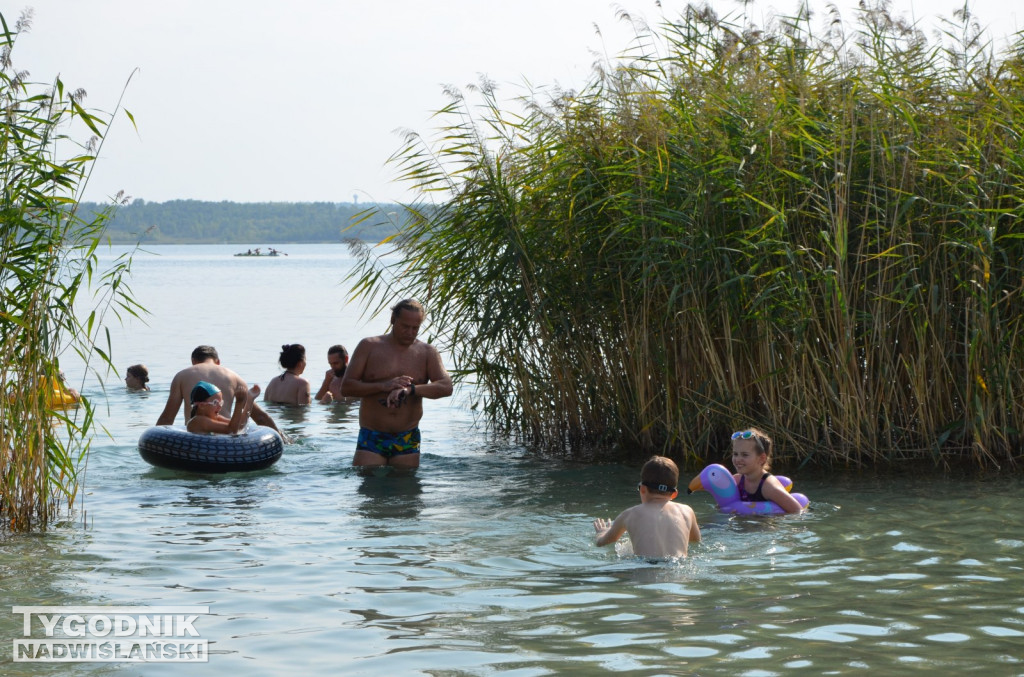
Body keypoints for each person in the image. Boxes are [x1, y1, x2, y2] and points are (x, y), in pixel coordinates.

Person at [341, 299, 453, 468]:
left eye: (415, 328)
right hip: (372, 434)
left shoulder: (427, 352)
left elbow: (446, 387)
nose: (410, 332)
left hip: (407, 436)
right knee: (369, 489)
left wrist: (411, 390)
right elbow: (346, 387)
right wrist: (383, 386)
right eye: (405, 326)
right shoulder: (369, 346)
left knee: (406, 490)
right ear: (393, 319)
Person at [156, 345, 286, 440]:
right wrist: (282, 438)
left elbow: (167, 418)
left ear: (193, 362)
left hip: (199, 441)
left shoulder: (182, 376)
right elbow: (260, 417)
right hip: (228, 440)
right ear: (218, 362)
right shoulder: (234, 377)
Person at [593, 456, 701, 559]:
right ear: (674, 494)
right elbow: (696, 541)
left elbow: (602, 543)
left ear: (643, 489)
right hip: (678, 570)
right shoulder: (687, 511)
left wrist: (602, 533)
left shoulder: (629, 514)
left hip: (645, 568)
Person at [729, 427, 804, 514]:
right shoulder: (736, 481)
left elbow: (798, 511)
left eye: (745, 455)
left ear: (762, 458)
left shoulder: (768, 487)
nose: (737, 459)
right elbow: (722, 505)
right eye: (735, 454)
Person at [187, 380, 259, 434]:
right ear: (201, 406)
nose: (220, 406)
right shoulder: (198, 421)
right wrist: (239, 403)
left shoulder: (215, 418)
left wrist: (250, 400)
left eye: (221, 403)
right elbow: (231, 431)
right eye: (215, 403)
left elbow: (240, 426)